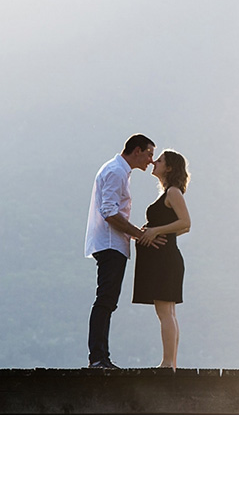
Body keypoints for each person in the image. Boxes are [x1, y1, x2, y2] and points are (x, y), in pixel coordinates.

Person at [84, 134, 164, 369]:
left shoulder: (119, 171)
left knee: (108, 301)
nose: (151, 160)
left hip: (113, 244)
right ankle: (98, 357)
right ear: (137, 150)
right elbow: (109, 212)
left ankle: (100, 356)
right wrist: (140, 235)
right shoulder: (117, 172)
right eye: (149, 153)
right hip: (110, 244)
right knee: (105, 300)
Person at [132, 150, 191, 368]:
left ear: (169, 167)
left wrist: (155, 231)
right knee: (167, 311)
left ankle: (168, 363)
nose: (154, 163)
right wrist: (152, 231)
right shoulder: (167, 193)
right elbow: (178, 228)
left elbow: (186, 223)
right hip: (163, 259)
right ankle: (170, 363)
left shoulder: (173, 192)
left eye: (159, 160)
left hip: (166, 260)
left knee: (165, 311)